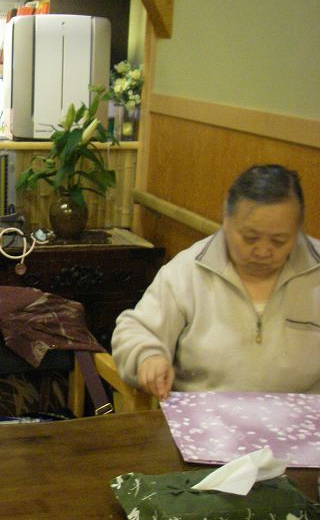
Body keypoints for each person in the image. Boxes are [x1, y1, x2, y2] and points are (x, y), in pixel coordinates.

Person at [112, 164, 320, 399]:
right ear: (226, 222)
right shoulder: (190, 269)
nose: (263, 251)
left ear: (298, 229)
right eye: (250, 238)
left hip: (305, 418)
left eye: (279, 241)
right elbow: (136, 329)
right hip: (204, 414)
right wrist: (148, 357)